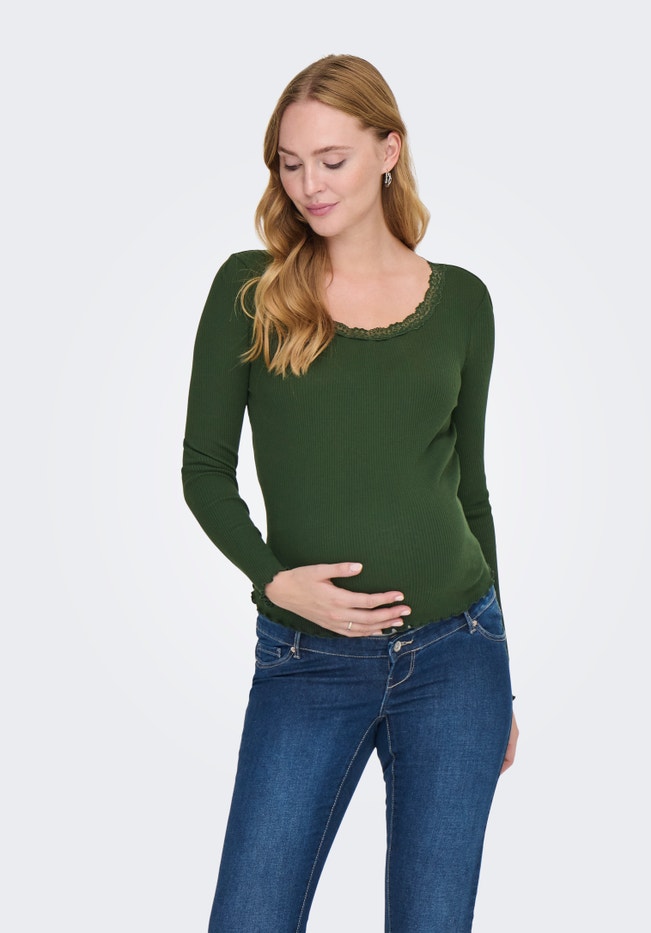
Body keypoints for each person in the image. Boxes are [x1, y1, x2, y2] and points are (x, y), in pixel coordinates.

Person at [182, 53, 518, 933]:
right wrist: (272, 579)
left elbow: (471, 488)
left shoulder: (464, 303)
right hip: (308, 658)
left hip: (458, 656)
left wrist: (505, 679)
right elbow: (204, 468)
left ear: (387, 151)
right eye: (291, 164)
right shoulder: (249, 289)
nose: (309, 186)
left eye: (331, 160)